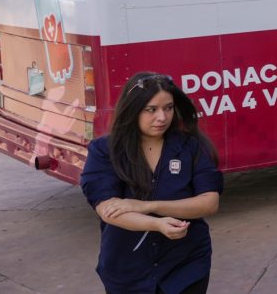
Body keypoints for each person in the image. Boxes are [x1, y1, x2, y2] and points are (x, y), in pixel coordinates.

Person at [79, 72, 223, 294]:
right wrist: (156, 224)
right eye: (151, 109)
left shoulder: (191, 147)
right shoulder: (104, 151)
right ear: (132, 109)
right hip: (127, 269)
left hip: (185, 265)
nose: (162, 117)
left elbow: (209, 202)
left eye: (168, 108)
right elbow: (108, 209)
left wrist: (148, 206)